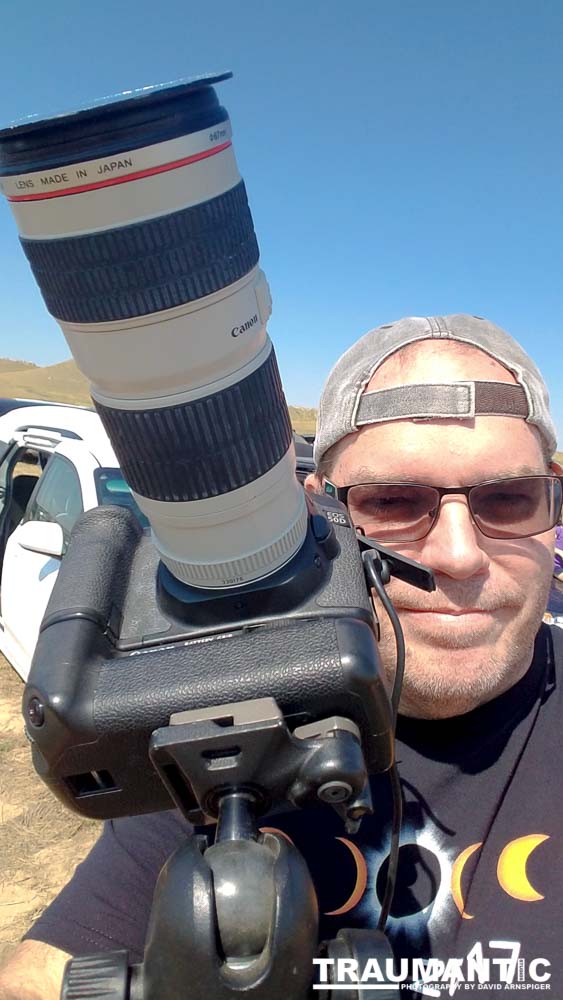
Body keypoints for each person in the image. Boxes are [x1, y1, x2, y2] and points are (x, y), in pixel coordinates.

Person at [1, 314, 562, 999]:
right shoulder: (232, 707)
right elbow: (41, 971)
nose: (458, 555)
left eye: (507, 499)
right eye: (391, 501)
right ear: (319, 514)